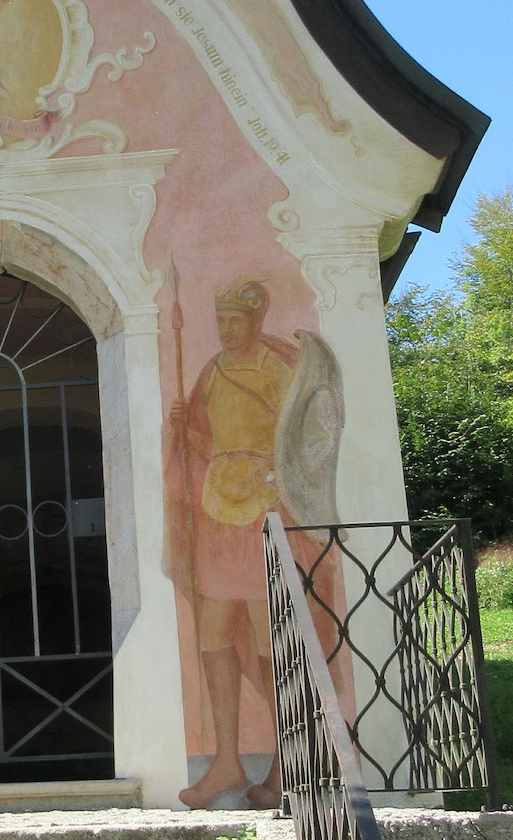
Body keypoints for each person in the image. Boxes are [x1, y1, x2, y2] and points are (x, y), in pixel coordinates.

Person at [166, 277, 298, 809]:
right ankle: (226, 762)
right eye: (219, 320)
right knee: (215, 631)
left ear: (256, 319)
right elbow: (205, 442)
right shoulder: (212, 371)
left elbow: (303, 433)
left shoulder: (278, 367)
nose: (226, 329)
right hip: (218, 511)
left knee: (268, 638)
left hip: (263, 510)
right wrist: (182, 428)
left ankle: (294, 757)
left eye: (235, 320)